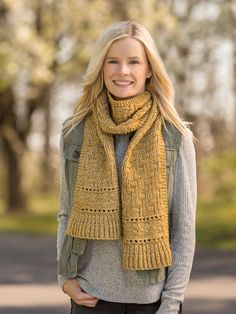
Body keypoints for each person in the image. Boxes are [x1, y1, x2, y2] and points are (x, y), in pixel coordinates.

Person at [57, 21, 197, 314]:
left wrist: (171, 303)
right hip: (89, 297)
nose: (123, 71)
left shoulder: (174, 135)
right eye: (113, 61)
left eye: (134, 61)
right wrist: (65, 278)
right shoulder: (75, 131)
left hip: (151, 301)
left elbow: (183, 228)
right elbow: (66, 211)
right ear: (102, 68)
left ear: (148, 69)